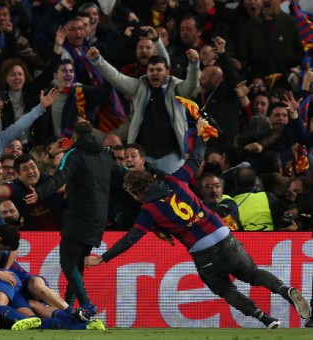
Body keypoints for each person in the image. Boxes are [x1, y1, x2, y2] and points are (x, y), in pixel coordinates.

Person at [85, 119, 311, 329]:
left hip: (203, 252)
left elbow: (130, 239)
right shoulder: (175, 180)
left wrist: (103, 257)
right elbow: (195, 159)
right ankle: (284, 289)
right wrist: (201, 135)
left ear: (136, 192)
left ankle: (265, 318)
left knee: (223, 288)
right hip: (223, 235)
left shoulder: (149, 210)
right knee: (252, 273)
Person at [24, 122, 117, 314]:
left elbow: (60, 177)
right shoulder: (104, 156)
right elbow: (121, 177)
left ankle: (86, 304)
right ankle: (69, 308)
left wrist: (39, 193)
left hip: (80, 217)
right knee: (76, 265)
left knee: (67, 263)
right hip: (99, 218)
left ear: (73, 137)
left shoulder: (74, 154)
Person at [87, 45, 200, 174]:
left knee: (174, 192)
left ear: (167, 72)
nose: (155, 73)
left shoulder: (176, 87)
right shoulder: (139, 86)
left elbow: (191, 86)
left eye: (159, 70)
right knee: (139, 192)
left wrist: (194, 65)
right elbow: (116, 78)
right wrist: (98, 61)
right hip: (142, 158)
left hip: (171, 157)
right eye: (151, 70)